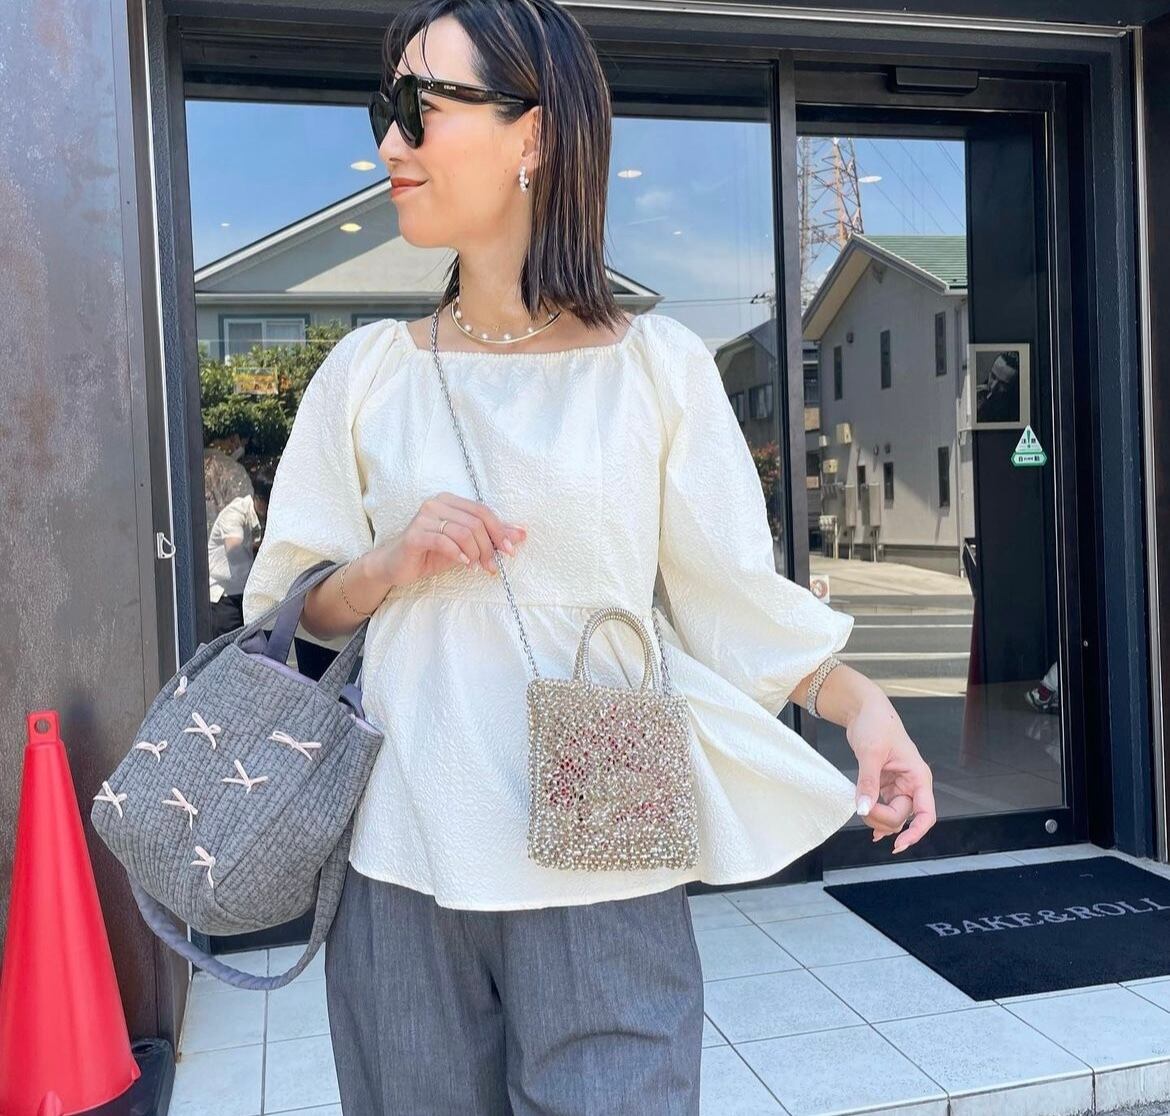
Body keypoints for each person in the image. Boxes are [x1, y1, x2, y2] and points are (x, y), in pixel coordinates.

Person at [241, 1, 936, 1111]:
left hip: (608, 819)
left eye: (421, 106)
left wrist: (862, 705)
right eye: (386, 108)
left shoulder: (655, 365)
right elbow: (287, 615)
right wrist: (389, 564)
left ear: (535, 132)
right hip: (402, 843)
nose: (390, 143)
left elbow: (728, 597)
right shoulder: (370, 371)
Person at [208, 470, 271, 637]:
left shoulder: (261, 517)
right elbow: (235, 553)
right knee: (229, 648)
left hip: (246, 595)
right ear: (260, 500)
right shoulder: (235, 514)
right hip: (225, 597)